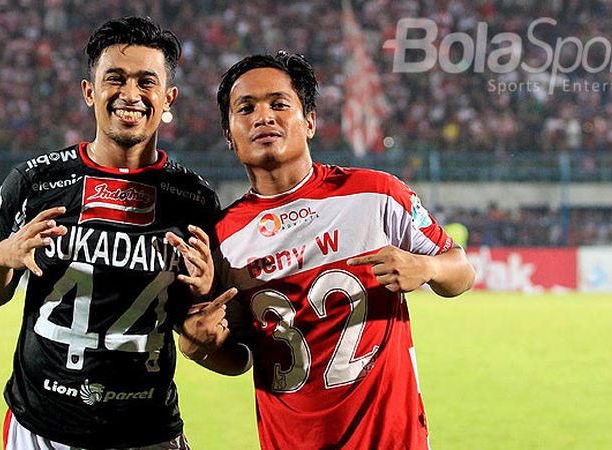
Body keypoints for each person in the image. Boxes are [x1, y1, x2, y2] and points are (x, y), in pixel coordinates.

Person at [183, 52, 476, 449]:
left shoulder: (376, 194)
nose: (263, 117)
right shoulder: (222, 238)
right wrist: (201, 347)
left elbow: (461, 271)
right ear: (229, 134)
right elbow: (239, 359)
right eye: (246, 108)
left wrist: (426, 267)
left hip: (393, 440)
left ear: (310, 121)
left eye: (279, 104)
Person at [0, 17, 232, 450]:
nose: (130, 94)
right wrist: (1, 258)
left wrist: (204, 305)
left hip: (147, 431)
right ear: (89, 91)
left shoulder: (194, 200)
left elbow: (202, 328)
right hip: (41, 431)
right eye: (115, 78)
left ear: (168, 99)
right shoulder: (34, 182)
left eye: (146, 82)